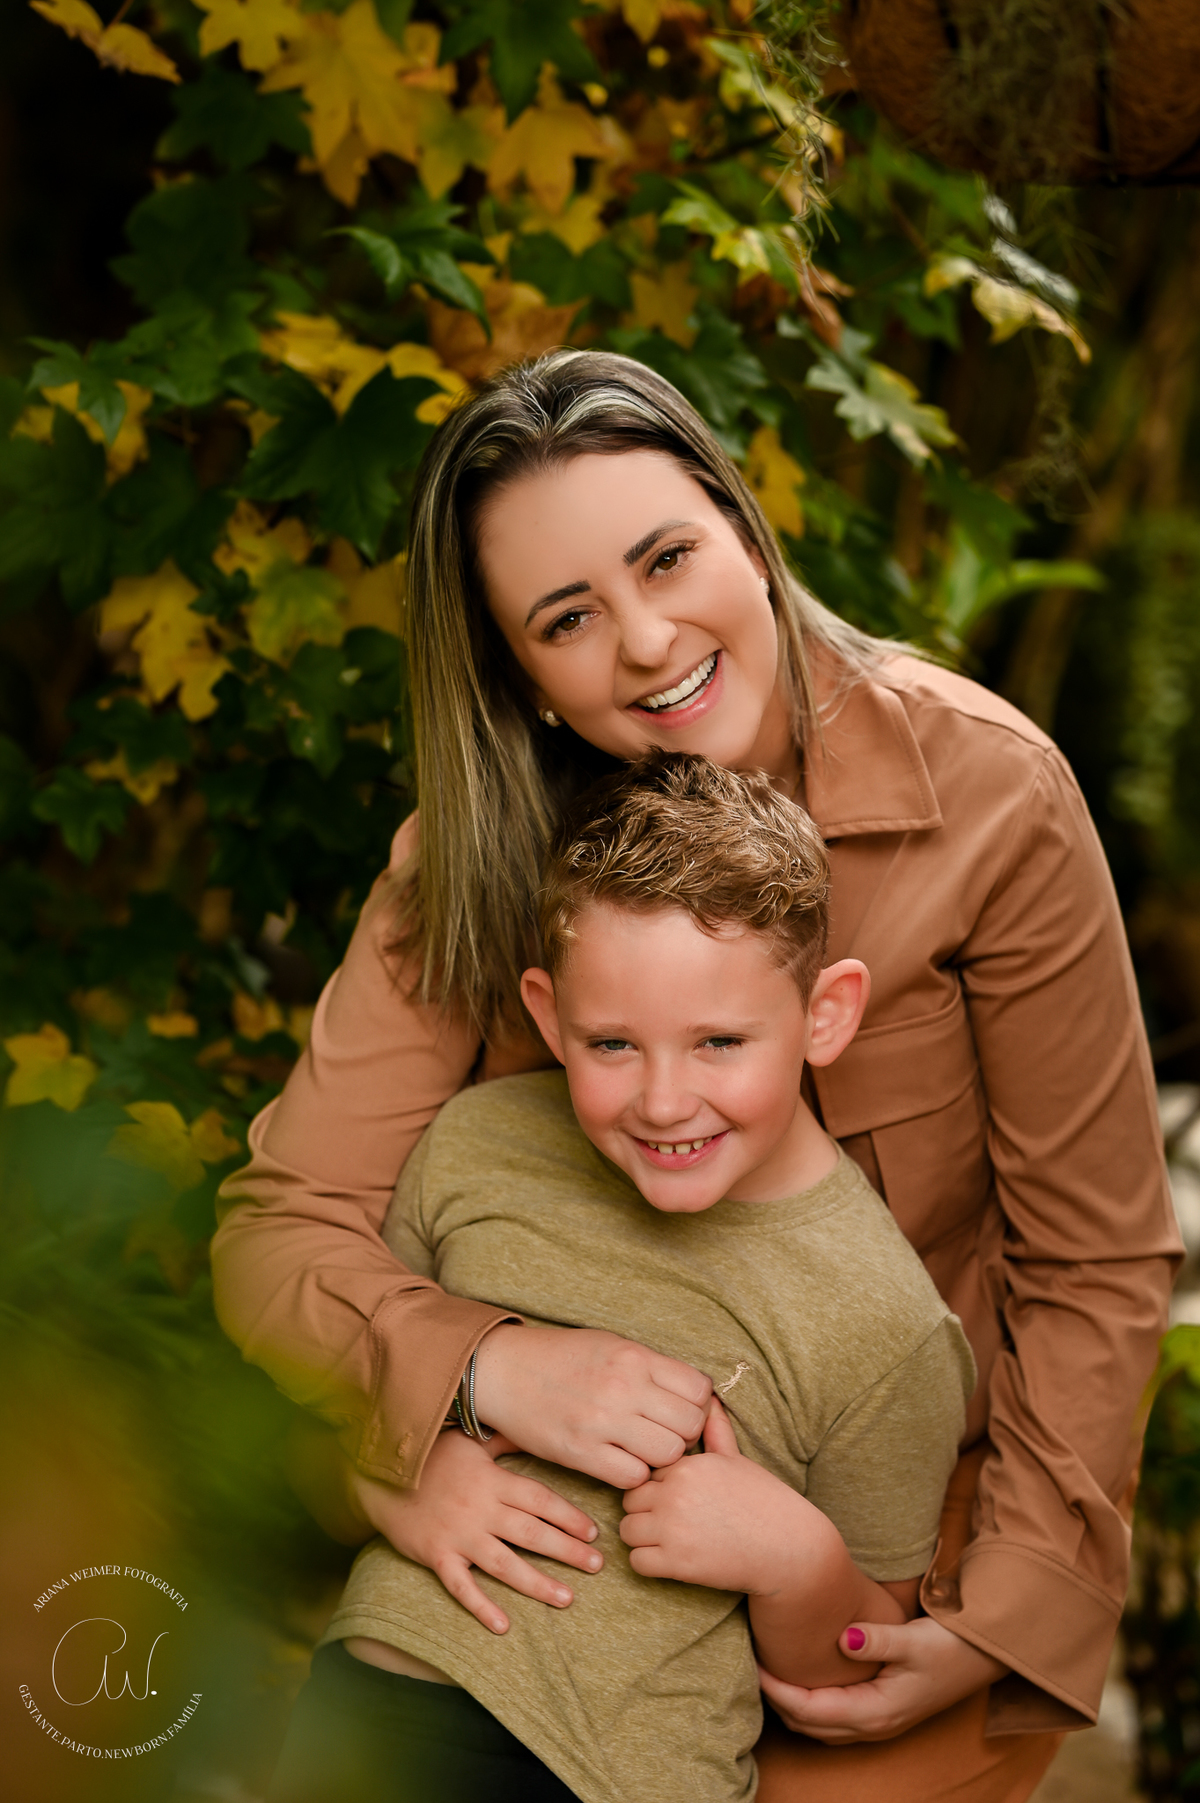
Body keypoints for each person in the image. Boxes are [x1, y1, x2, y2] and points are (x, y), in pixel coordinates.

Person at [213, 349, 1181, 1802]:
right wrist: (483, 1368)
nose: (650, 640)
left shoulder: (991, 795)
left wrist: (1006, 1613)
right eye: (567, 618)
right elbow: (285, 1224)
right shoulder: (471, 864)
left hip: (898, 1581)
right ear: (519, 673)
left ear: (742, 522)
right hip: (559, 1590)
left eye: (667, 557)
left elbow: (1096, 1258)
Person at [267, 753, 976, 1803]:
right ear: (547, 1014)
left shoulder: (886, 1320)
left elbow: (853, 1670)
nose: (664, 1100)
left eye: (719, 1041)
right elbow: (304, 1444)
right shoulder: (474, 1151)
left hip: (624, 1778)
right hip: (367, 1721)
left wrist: (794, 1560)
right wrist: (391, 1482)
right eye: (611, 1043)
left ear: (825, 1014)